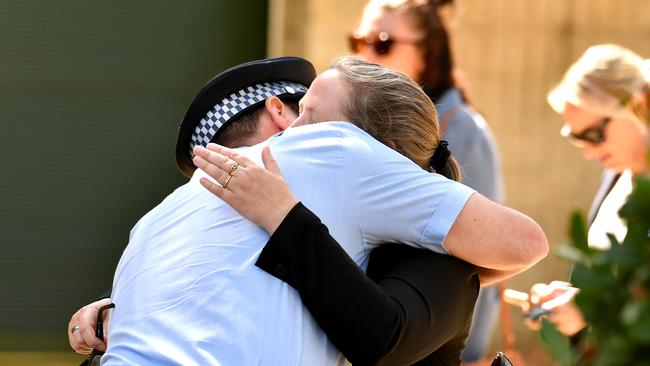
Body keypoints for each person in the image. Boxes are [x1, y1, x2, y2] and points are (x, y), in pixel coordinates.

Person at [79, 57, 548, 365]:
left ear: (381, 151)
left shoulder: (158, 214)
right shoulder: (325, 171)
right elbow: (524, 247)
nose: (288, 132)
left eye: (308, 116)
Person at [348, 0, 505, 360]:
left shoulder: (463, 131)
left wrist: (467, 355)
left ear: (427, 53)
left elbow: (478, 261)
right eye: (359, 41)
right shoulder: (369, 127)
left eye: (383, 43)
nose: (366, 55)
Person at [522, 44, 649, 338]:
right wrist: (572, 299)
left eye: (594, 135)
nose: (589, 153)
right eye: (577, 138)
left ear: (637, 104)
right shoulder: (616, 177)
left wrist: (593, 307)